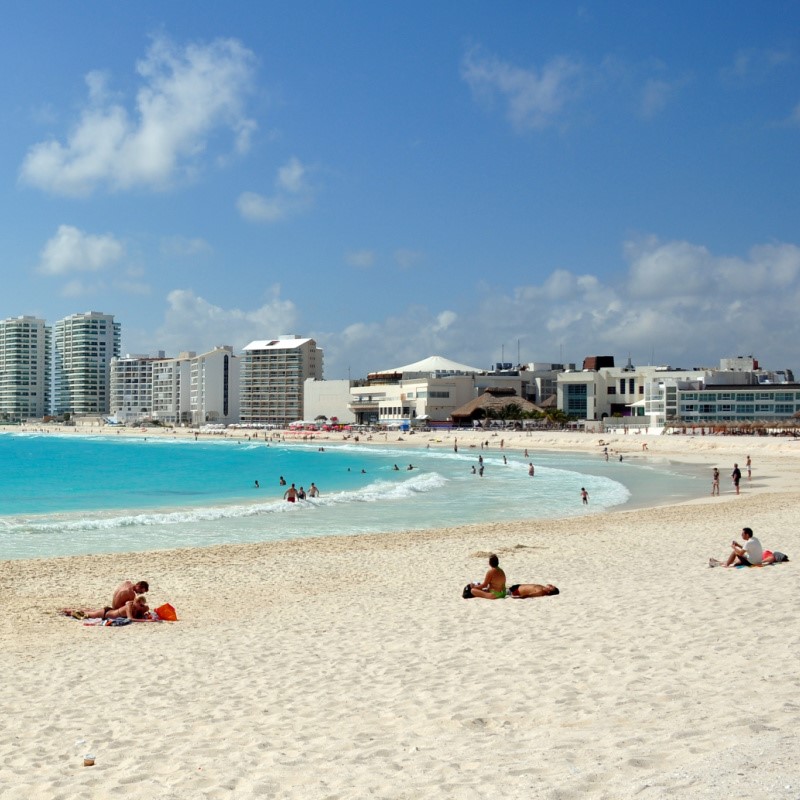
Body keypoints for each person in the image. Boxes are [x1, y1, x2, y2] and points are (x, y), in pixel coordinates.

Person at [65, 595, 150, 621]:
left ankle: (68, 609)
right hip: (106, 614)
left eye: (142, 605)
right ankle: (67, 611)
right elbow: (130, 618)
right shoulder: (129, 606)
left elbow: (145, 609)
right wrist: (146, 620)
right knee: (87, 614)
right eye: (140, 605)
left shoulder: (140, 608)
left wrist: (144, 611)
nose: (141, 607)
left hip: (110, 611)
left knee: (91, 611)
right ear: (135, 602)